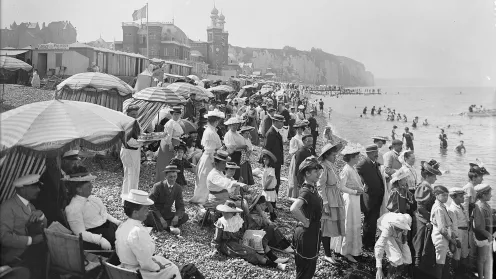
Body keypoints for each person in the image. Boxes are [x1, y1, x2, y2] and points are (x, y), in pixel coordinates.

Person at [116, 189, 182, 279]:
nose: (148, 211)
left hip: (123, 269)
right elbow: (145, 263)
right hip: (136, 273)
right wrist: (158, 266)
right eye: (145, 208)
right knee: (173, 268)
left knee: (160, 259)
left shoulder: (122, 227)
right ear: (135, 212)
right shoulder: (137, 231)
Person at [212, 200, 287, 271]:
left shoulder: (237, 220)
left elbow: (242, 232)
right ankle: (275, 265)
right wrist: (215, 249)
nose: (224, 214)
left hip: (239, 241)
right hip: (228, 245)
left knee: (260, 240)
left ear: (233, 213)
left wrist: (246, 238)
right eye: (224, 212)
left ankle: (273, 258)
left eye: (227, 212)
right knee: (250, 252)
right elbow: (217, 239)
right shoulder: (221, 222)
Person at [0, 174, 47, 278]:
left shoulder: (29, 205)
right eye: (35, 187)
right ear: (22, 189)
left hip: (30, 250)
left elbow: (44, 226)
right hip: (15, 254)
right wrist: (31, 240)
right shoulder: (7, 207)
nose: (38, 190)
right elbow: (4, 238)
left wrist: (41, 215)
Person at [65, 166, 121, 250]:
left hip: (109, 229)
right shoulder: (73, 208)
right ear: (79, 189)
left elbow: (104, 214)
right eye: (88, 186)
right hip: (94, 237)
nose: (92, 187)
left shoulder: (94, 199)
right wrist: (100, 240)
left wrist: (117, 222)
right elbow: (80, 233)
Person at [290, 157, 323, 279]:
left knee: (307, 268)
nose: (318, 174)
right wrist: (305, 221)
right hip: (307, 234)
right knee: (305, 269)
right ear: (307, 173)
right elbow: (293, 208)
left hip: (312, 233)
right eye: (315, 171)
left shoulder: (312, 189)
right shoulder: (306, 191)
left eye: (318, 171)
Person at [412, 160, 442, 278]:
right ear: (428, 176)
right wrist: (430, 219)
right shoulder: (424, 187)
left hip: (425, 219)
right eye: (434, 176)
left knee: (426, 245)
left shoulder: (427, 186)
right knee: (420, 245)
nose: (436, 178)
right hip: (422, 220)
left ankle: (423, 269)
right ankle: (418, 270)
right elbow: (420, 207)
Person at [317, 142, 346, 264]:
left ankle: (324, 251)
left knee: (329, 226)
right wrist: (325, 203)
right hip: (329, 197)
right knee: (326, 226)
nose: (336, 157)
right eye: (333, 155)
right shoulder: (324, 167)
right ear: (327, 155)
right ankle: (326, 254)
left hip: (334, 196)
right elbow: (320, 185)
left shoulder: (330, 166)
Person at [190, 109, 225, 204]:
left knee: (205, 178)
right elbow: (210, 151)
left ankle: (207, 198)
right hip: (209, 158)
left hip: (208, 156)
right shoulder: (210, 132)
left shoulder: (210, 130)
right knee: (206, 178)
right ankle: (202, 199)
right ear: (216, 121)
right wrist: (214, 163)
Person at [145, 165, 188, 235]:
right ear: (166, 177)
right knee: (148, 216)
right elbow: (150, 203)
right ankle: (168, 227)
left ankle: (161, 226)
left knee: (185, 216)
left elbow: (180, 206)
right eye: (170, 177)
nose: (173, 179)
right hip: (156, 213)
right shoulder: (158, 186)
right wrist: (160, 218)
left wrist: (176, 216)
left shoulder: (178, 188)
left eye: (175, 176)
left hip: (167, 213)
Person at [430, 185, 459, 279]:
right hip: (440, 237)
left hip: (444, 236)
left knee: (442, 262)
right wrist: (452, 240)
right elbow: (442, 229)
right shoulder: (438, 208)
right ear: (436, 195)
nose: (446, 197)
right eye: (443, 195)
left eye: (447, 195)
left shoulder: (442, 206)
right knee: (440, 263)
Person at [462, 161, 489, 260]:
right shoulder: (469, 188)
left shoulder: (472, 187)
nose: (482, 178)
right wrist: (467, 219)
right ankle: (468, 260)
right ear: (474, 178)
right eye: (480, 176)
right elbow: (465, 205)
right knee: (468, 240)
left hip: (471, 216)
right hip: (466, 218)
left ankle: (470, 259)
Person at [374, 213, 413, 279]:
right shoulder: (387, 228)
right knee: (396, 257)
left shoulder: (407, 219)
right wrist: (379, 269)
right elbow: (379, 246)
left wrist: (404, 236)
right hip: (383, 228)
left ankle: (397, 274)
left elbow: (405, 233)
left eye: (401, 229)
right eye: (397, 229)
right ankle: (390, 276)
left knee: (407, 258)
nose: (398, 231)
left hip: (397, 234)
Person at [121, 105, 143, 201]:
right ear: (127, 114)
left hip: (135, 151)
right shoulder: (126, 124)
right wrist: (143, 142)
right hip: (128, 151)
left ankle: (132, 196)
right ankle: (128, 199)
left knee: (134, 175)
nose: (135, 116)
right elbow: (130, 141)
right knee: (130, 175)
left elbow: (140, 134)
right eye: (133, 114)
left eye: (136, 114)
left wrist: (146, 138)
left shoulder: (135, 122)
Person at [472, 184, 495, 279]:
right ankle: (481, 277)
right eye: (490, 193)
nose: (491, 195)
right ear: (483, 195)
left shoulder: (484, 204)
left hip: (487, 234)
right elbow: (478, 226)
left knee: (485, 258)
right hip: (483, 236)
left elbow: (489, 213)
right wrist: (488, 235)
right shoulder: (479, 207)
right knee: (482, 258)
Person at [156, 106, 184, 182]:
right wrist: (170, 145)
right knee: (167, 162)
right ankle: (163, 179)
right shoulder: (170, 123)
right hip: (169, 143)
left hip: (175, 142)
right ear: (172, 114)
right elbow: (168, 136)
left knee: (172, 162)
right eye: (175, 114)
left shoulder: (176, 122)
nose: (176, 116)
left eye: (178, 114)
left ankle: (171, 179)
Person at [447, 188, 469, 276]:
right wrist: (456, 238)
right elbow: (453, 226)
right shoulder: (452, 209)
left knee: (464, 253)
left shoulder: (460, 206)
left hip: (464, 231)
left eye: (463, 196)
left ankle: (462, 272)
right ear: (453, 197)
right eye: (460, 196)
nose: (463, 198)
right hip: (458, 232)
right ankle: (455, 273)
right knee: (457, 254)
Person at [264, 114, 285, 205]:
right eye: (281, 122)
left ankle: (273, 203)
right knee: (272, 183)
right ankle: (270, 205)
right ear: (275, 122)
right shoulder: (271, 133)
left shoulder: (276, 132)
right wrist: (272, 160)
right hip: (272, 163)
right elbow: (266, 150)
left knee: (276, 182)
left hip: (276, 162)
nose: (282, 123)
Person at [288, 121, 307, 199]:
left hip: (304, 158)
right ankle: (295, 194)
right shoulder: (294, 139)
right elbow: (292, 151)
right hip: (297, 158)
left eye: (301, 129)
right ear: (296, 129)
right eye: (298, 129)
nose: (300, 130)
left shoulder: (304, 137)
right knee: (296, 174)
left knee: (304, 174)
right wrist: (301, 150)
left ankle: (303, 193)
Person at [260, 149, 278, 221]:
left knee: (268, 202)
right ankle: (272, 214)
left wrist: (265, 186)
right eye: (264, 159)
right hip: (266, 189)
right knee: (267, 202)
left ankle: (272, 214)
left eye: (266, 160)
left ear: (270, 160)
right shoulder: (266, 169)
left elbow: (270, 179)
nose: (265, 161)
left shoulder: (271, 169)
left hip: (268, 189)